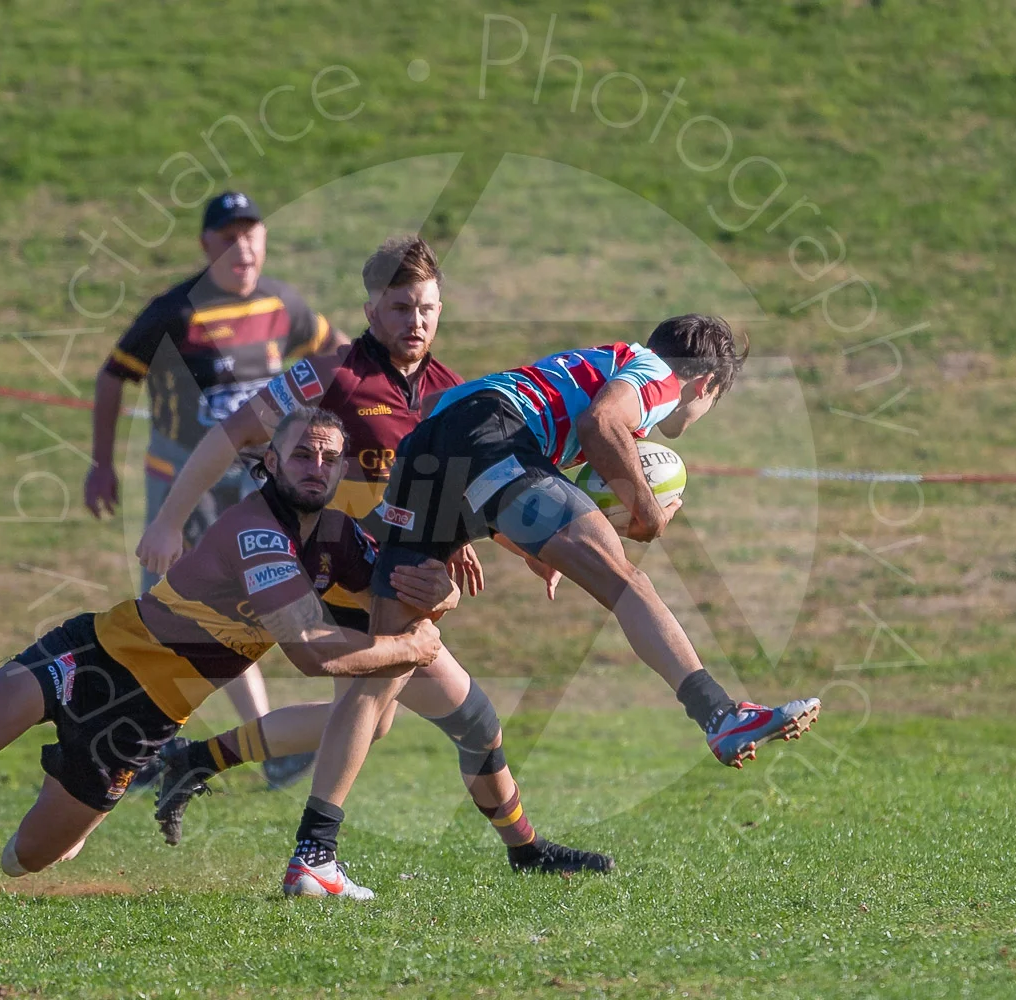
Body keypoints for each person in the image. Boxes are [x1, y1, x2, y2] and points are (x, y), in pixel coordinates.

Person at [0, 408, 450, 899]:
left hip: (146, 721)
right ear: (271, 462)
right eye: (302, 453)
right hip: (98, 657)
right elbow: (309, 651)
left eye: (329, 457)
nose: (317, 467)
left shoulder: (333, 537)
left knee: (26, 862)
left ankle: (71, 796)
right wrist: (409, 645)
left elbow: (398, 583)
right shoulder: (257, 530)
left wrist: (439, 592)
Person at [137, 237, 614, 883]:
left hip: (392, 572)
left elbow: (464, 487)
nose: (413, 322)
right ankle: (314, 854)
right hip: (337, 571)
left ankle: (198, 762)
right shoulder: (331, 375)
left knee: (408, 718)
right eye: (398, 308)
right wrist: (169, 518)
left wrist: (497, 544)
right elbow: (231, 433)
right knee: (382, 704)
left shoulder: (457, 393)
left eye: (426, 309)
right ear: (370, 309)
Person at [297, 317, 823, 889]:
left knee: (386, 667)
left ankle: (313, 854)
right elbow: (602, 426)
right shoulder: (659, 374)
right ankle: (719, 714)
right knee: (626, 582)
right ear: (706, 386)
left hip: (429, 449)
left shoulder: (588, 363)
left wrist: (503, 533)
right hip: (493, 438)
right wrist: (645, 514)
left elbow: (456, 416)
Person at [86, 190, 348, 789]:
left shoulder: (285, 304)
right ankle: (136, 743)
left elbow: (337, 356)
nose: (243, 247)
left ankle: (188, 744)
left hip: (256, 487)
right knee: (169, 615)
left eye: (251, 233)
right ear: (206, 245)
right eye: (228, 237)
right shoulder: (174, 312)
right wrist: (101, 464)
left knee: (245, 608)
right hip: (180, 486)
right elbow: (112, 377)